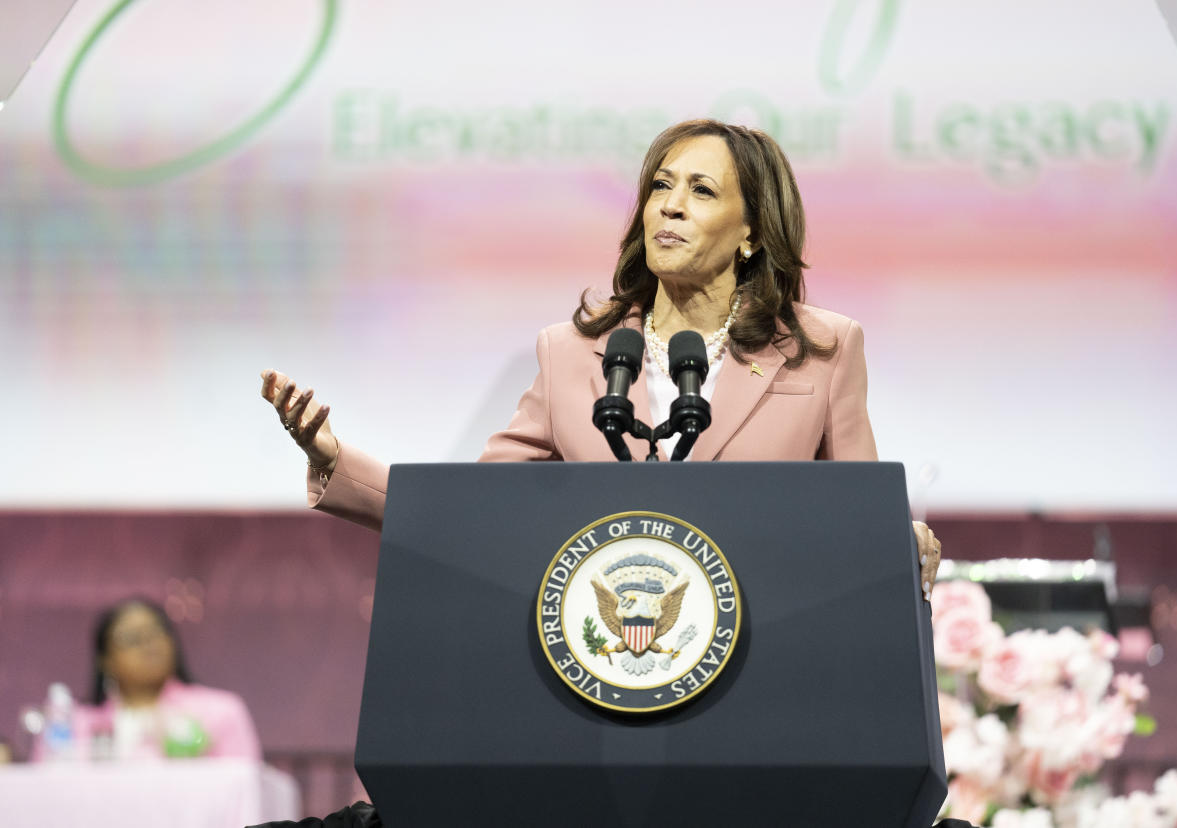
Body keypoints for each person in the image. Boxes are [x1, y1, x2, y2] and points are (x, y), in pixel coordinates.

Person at [258, 119, 942, 597]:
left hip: (765, 652)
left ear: (752, 233)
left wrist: (897, 538)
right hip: (610, 655)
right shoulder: (572, 353)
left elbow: (860, 509)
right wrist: (332, 459)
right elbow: (472, 505)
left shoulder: (820, 349)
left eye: (701, 192)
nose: (669, 208)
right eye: (660, 186)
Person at [36, 598, 261, 761]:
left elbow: (242, 793)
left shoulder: (221, 710)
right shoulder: (72, 723)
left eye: (157, 632)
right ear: (105, 659)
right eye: (132, 638)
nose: (149, 644)